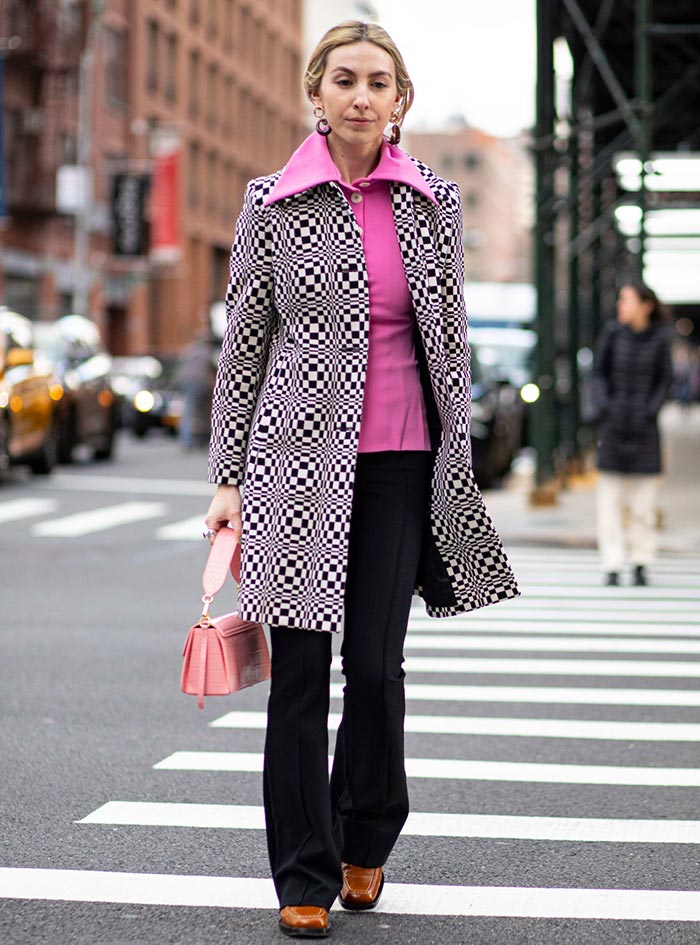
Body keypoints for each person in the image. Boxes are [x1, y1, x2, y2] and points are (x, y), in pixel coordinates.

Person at [203, 21, 519, 939]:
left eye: (379, 82)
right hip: (294, 464)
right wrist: (227, 477)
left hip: (402, 462)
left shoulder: (433, 202)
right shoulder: (272, 203)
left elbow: (449, 340)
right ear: (317, 93)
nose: (361, 96)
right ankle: (302, 870)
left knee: (376, 667)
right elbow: (245, 347)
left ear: (400, 100)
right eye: (344, 79)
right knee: (300, 672)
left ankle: (366, 833)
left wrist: (459, 459)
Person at [591, 281, 673, 587]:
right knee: (609, 500)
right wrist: (607, 406)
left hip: (645, 429)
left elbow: (665, 381)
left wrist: (650, 410)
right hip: (613, 428)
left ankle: (641, 560)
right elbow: (598, 375)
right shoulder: (612, 334)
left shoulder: (661, 339)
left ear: (645, 306)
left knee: (643, 502)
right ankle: (612, 563)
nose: (620, 305)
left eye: (627, 300)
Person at [173, 333, 217, 449]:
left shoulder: (189, 350)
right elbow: (216, 368)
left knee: (190, 411)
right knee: (204, 412)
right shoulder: (208, 352)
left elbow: (179, 367)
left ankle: (188, 439)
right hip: (201, 384)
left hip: (186, 383)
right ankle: (195, 440)